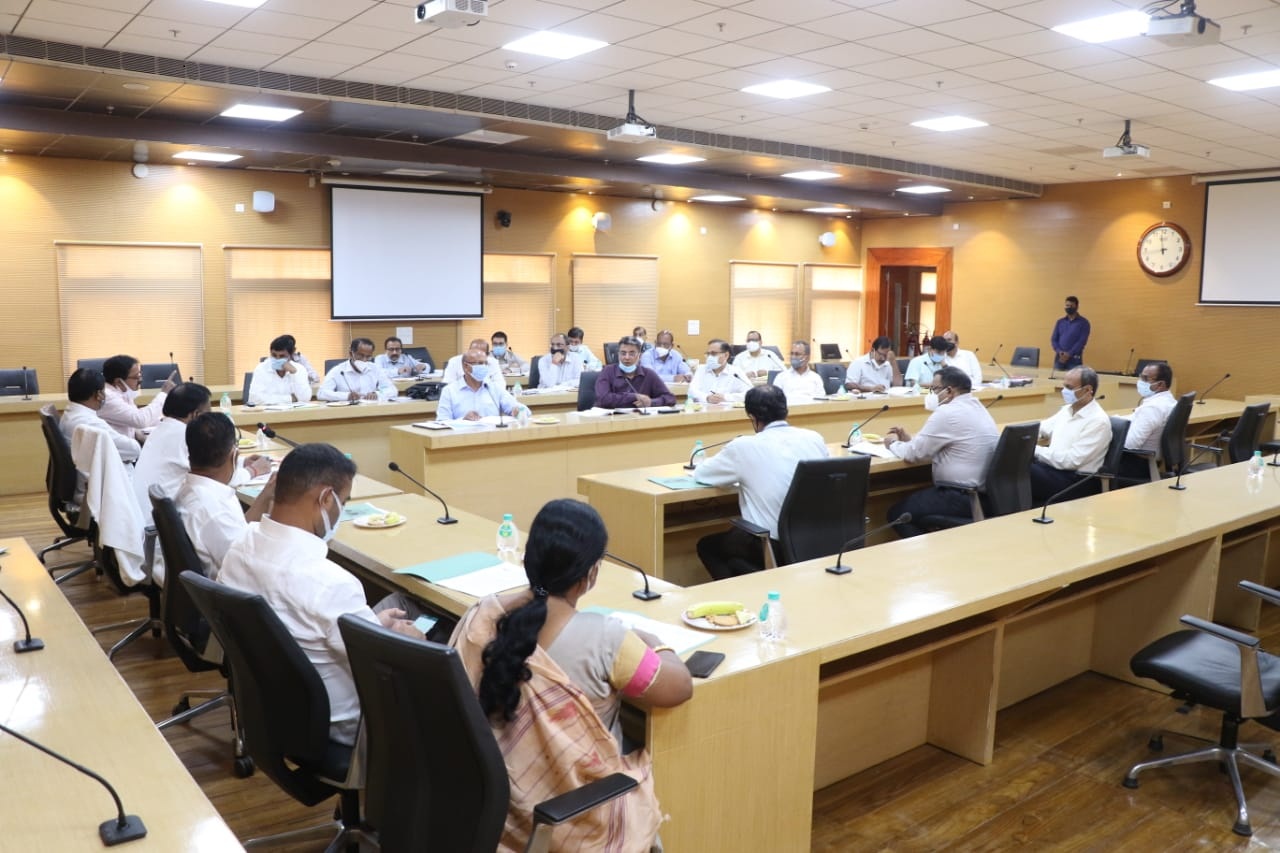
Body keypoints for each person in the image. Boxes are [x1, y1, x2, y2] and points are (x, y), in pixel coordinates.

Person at [450, 499, 691, 852]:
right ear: (591, 574)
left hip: (492, 813)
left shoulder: (483, 616)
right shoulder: (606, 639)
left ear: (528, 559)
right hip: (573, 822)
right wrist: (656, 644)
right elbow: (679, 687)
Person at [217, 443, 422, 745]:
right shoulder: (331, 583)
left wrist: (373, 625)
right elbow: (379, 665)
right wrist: (411, 644)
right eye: (343, 502)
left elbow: (305, 629)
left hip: (273, 711)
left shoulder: (239, 548)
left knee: (398, 605)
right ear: (326, 498)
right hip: (346, 726)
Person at [694, 385, 829, 578]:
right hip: (818, 538)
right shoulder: (814, 438)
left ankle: (744, 592)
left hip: (773, 544)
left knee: (708, 546)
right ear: (785, 410)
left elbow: (702, 474)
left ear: (752, 417)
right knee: (734, 556)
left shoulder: (743, 446)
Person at [883, 367, 999, 537]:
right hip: (984, 496)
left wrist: (892, 444)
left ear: (949, 391)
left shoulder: (947, 412)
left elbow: (913, 454)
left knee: (897, 515)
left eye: (935, 389)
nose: (933, 394)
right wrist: (909, 441)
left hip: (961, 496)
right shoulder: (978, 407)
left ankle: (930, 551)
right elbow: (932, 446)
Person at [132, 382, 270, 514]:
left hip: (152, 517)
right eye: (208, 413)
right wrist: (253, 471)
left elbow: (207, 462)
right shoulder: (185, 435)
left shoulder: (162, 430)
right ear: (196, 415)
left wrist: (241, 462)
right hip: (160, 521)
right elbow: (215, 477)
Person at [173, 412, 274, 580]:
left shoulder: (192, 490)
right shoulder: (213, 511)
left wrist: (267, 494)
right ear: (234, 456)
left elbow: (239, 533)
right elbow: (248, 570)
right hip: (232, 587)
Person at [1029, 366, 1111, 504]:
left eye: (1069, 387)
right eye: (1064, 386)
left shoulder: (1098, 421)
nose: (1064, 391)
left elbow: (1072, 461)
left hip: (1075, 480)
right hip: (1053, 470)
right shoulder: (1067, 410)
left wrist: (1034, 450)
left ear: (1087, 390)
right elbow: (1042, 428)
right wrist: (1021, 437)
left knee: (1019, 471)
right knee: (1014, 463)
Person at [60, 367, 141, 467]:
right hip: (110, 473)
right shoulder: (89, 422)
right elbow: (133, 450)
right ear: (99, 395)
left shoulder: (71, 413)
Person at [1119, 361, 1176, 481]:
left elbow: (1130, 445)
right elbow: (1135, 417)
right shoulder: (1169, 401)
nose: (1140, 381)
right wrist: (1113, 419)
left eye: (1145, 378)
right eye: (1141, 377)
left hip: (1136, 465)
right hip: (1152, 463)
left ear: (1160, 384)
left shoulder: (1152, 408)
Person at [437, 347, 528, 421]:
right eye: (480, 363)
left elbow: (524, 411)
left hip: (492, 436)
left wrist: (518, 411)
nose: (484, 366)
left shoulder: (494, 388)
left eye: (486, 363)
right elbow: (442, 422)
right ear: (466, 366)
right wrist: (463, 420)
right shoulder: (449, 391)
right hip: (462, 436)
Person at [98, 354, 176, 440]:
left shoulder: (123, 392)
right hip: (119, 447)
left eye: (140, 375)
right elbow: (140, 420)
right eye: (136, 377)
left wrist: (163, 421)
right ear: (118, 381)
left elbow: (135, 422)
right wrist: (163, 394)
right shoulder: (107, 397)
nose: (140, 380)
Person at [594, 336, 675, 409]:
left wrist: (651, 402)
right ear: (618, 354)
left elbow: (670, 398)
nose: (627, 357)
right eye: (623, 353)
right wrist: (634, 396)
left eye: (632, 353)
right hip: (612, 418)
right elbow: (603, 399)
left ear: (639, 355)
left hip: (639, 419)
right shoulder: (608, 371)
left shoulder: (648, 374)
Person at [317, 338, 396, 402]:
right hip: (347, 411)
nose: (364, 360)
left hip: (371, 409)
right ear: (351, 354)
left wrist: (377, 394)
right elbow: (321, 393)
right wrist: (346, 396)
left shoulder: (375, 368)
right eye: (361, 355)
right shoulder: (338, 371)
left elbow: (392, 390)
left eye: (368, 357)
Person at [248, 334, 313, 406]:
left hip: (293, 412)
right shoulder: (261, 369)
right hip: (268, 412)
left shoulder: (299, 369)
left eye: (282, 356)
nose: (277, 359)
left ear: (291, 355)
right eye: (274, 355)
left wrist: (294, 374)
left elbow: (305, 398)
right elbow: (254, 398)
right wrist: (290, 399)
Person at [688, 338, 751, 404]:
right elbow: (691, 391)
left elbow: (749, 394)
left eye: (713, 353)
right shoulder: (701, 369)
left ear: (726, 355)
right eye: (708, 354)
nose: (709, 357)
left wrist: (725, 397)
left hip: (727, 409)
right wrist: (707, 397)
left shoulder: (735, 372)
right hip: (703, 409)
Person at [1051, 296, 1090, 370]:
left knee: (1074, 377)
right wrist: (1059, 351)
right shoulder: (1060, 322)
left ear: (1077, 307)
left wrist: (1069, 354)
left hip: (1074, 359)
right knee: (1056, 377)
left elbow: (1081, 342)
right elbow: (1054, 339)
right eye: (1067, 305)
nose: (1069, 307)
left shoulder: (1084, 323)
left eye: (1071, 306)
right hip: (1059, 358)